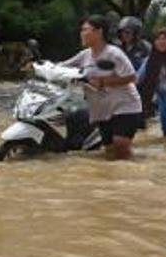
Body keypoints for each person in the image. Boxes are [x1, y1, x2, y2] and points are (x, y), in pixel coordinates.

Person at [61, 15, 143, 160]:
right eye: (81, 30)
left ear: (99, 32)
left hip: (125, 105)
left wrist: (103, 82)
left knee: (121, 145)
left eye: (85, 30)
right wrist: (39, 66)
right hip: (102, 109)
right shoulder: (85, 55)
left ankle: (134, 178)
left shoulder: (114, 53)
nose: (82, 33)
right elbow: (63, 66)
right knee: (110, 150)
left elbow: (132, 77)